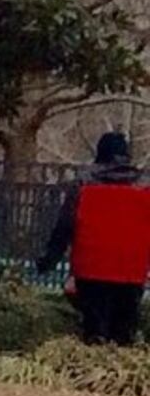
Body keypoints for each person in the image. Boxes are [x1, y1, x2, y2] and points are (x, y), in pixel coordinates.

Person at [36, 131, 148, 346]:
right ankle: (120, 364)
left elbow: (64, 227)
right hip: (131, 269)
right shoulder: (145, 186)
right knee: (124, 330)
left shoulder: (83, 184)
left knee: (94, 328)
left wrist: (48, 260)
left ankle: (94, 353)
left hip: (91, 268)